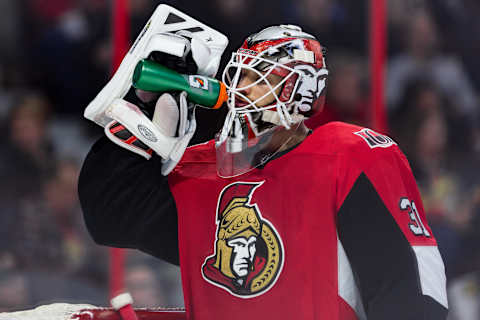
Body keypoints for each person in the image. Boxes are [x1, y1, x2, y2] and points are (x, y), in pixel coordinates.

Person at [78, 11, 448, 320]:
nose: (239, 89)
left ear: (300, 92)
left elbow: (408, 284)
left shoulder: (347, 154)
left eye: (256, 79)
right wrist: (143, 127)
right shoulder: (203, 168)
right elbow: (110, 217)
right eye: (239, 75)